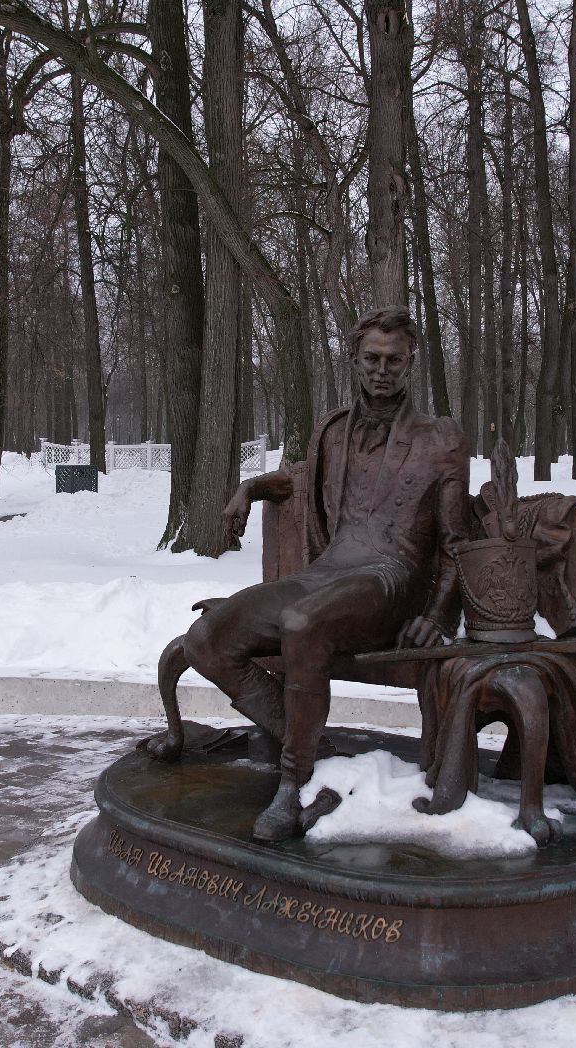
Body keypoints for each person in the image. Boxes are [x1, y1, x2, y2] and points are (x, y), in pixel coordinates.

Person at [166, 306, 470, 841]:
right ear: (354, 360)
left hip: (390, 579)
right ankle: (321, 753)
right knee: (206, 637)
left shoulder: (440, 439)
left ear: (411, 363)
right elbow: (300, 482)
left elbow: (456, 541)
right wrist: (249, 489)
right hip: (331, 571)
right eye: (372, 358)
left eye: (394, 360)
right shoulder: (332, 432)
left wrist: (439, 615)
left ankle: (294, 780)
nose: (382, 370)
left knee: (303, 622)